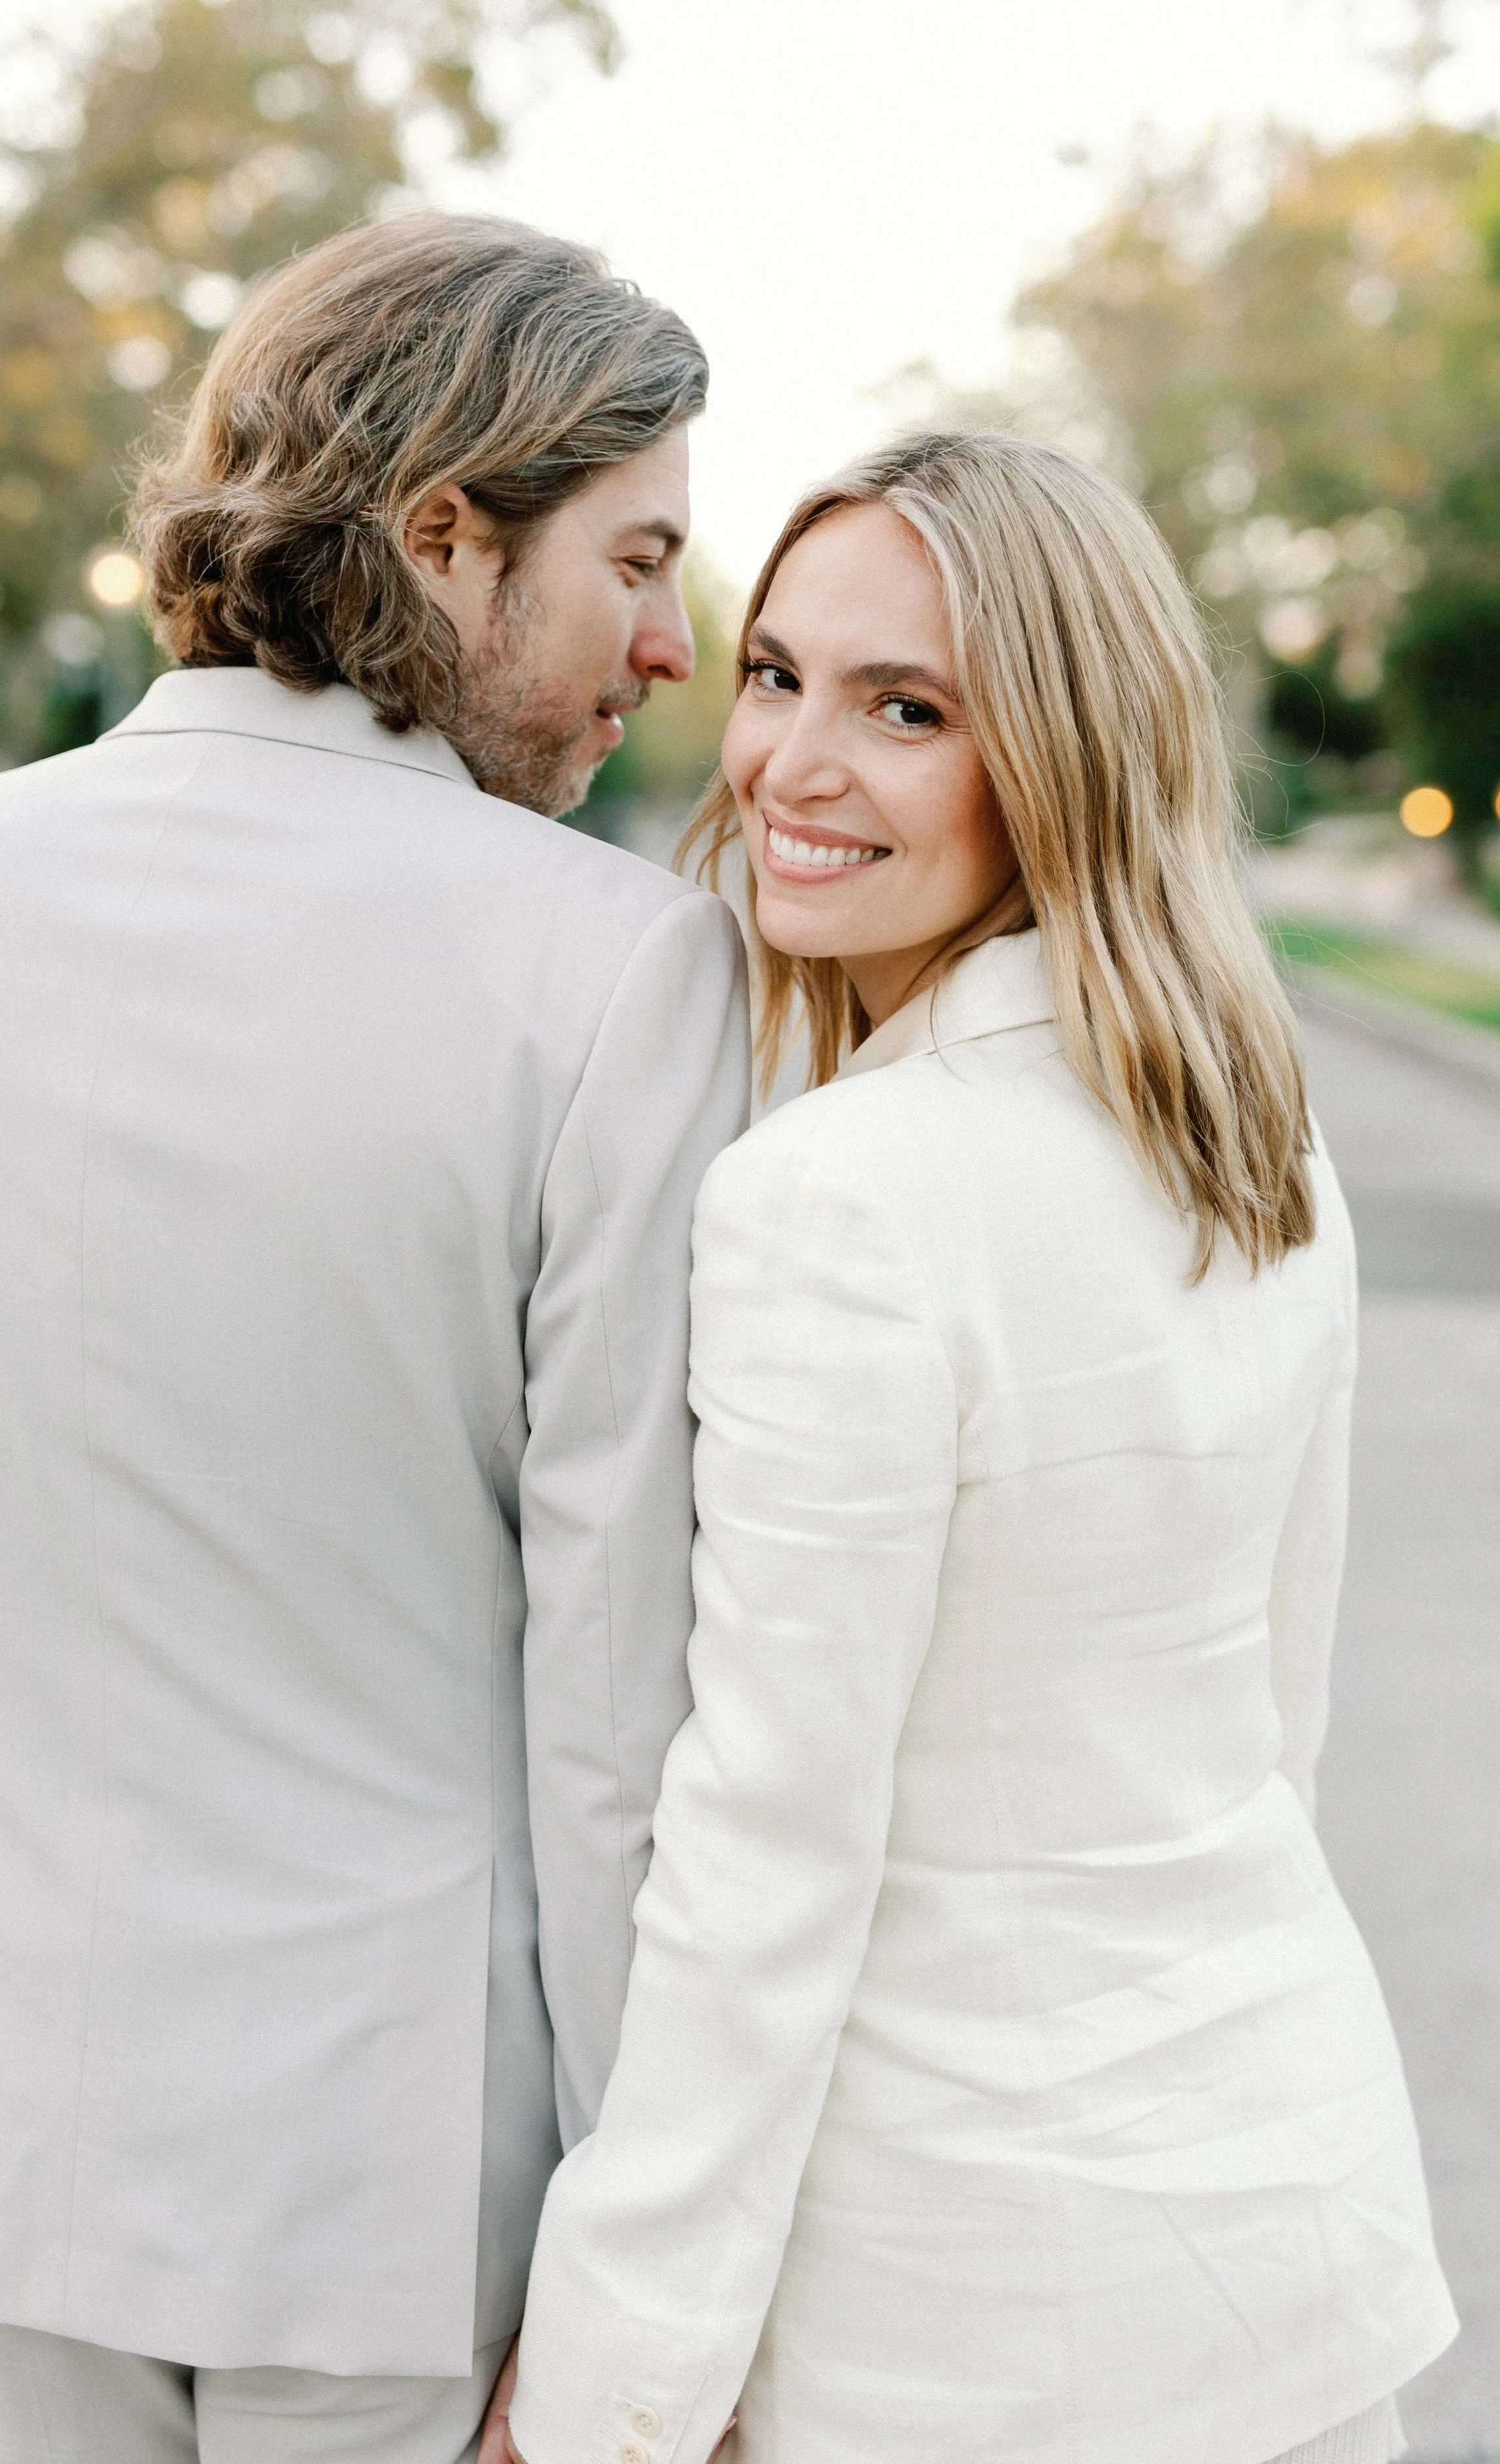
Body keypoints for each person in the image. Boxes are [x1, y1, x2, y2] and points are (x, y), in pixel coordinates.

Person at [0, 214, 749, 2464]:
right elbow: (613, 1693)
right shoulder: (614, 968)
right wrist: (661, 2278)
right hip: (383, 2183)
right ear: (449, 533)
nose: (668, 644)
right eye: (632, 561)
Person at [503, 430, 1457, 2464]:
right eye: (776, 675)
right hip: (1279, 2242)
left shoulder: (836, 1199)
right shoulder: (1256, 1143)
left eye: (904, 708)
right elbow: (1269, 1723)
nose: (788, 765)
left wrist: (609, 2387)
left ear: (1064, 758)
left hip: (989, 2321)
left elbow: (767, 1842)